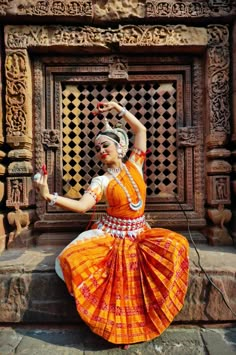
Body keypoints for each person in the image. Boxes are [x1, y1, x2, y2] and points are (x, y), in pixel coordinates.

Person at [34, 101, 189, 348]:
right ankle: (121, 334)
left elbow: (141, 131)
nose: (101, 150)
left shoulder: (135, 165)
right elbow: (83, 206)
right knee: (117, 281)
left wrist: (118, 108)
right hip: (113, 236)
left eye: (105, 145)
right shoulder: (101, 181)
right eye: (97, 148)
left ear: (120, 147)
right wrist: (47, 196)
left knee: (177, 246)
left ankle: (144, 324)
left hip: (141, 233)